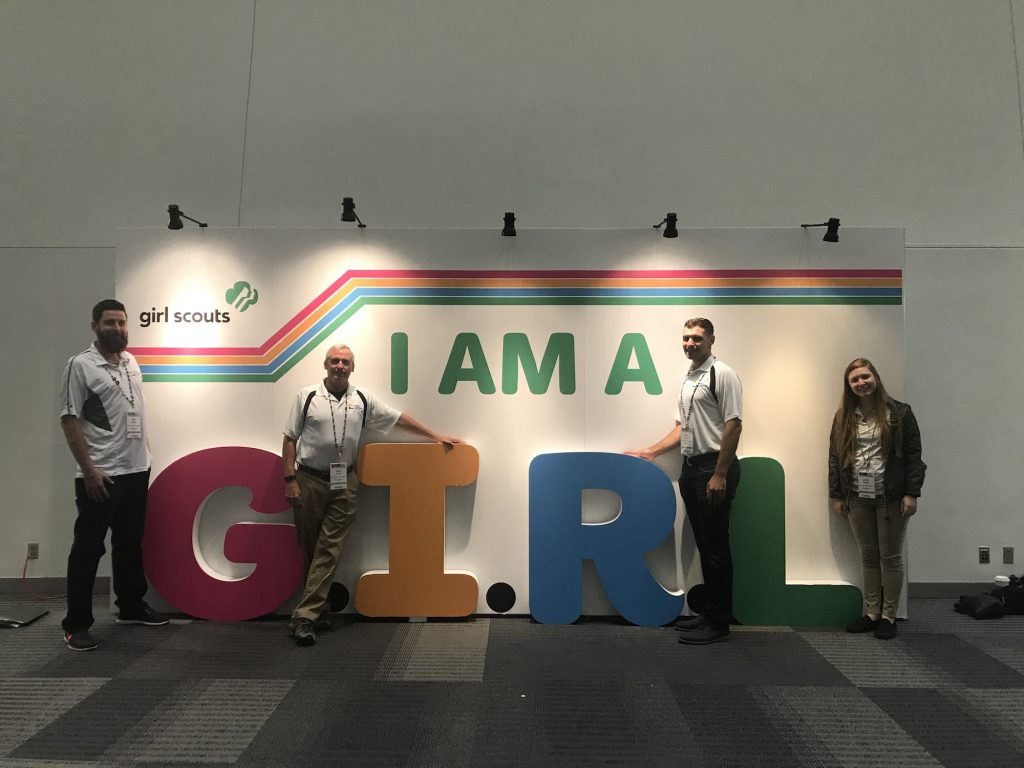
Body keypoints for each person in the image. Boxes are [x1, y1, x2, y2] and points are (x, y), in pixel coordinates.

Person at [282, 343, 464, 646]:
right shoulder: (307, 396)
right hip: (308, 479)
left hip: (346, 481)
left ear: (353, 368)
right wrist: (290, 479)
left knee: (330, 547)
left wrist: (435, 435)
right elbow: (289, 439)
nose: (340, 366)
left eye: (346, 362)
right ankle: (318, 610)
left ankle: (304, 617)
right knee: (310, 547)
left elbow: (399, 419)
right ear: (325, 365)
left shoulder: (362, 398)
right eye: (335, 361)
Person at [58, 299, 169, 652]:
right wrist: (89, 470)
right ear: (95, 326)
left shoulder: (130, 362)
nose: (118, 329)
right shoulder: (80, 366)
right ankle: (76, 625)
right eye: (109, 323)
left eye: (122, 323)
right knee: (88, 549)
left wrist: (146, 455)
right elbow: (70, 420)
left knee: (129, 543)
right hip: (101, 474)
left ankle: (131, 606)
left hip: (136, 470)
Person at [627, 318, 742, 644]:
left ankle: (719, 623)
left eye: (696, 338)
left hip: (713, 468)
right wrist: (650, 451)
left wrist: (720, 473)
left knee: (717, 547)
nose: (690, 344)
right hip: (691, 469)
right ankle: (709, 613)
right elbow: (683, 428)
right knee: (705, 544)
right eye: (686, 338)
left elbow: (733, 425)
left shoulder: (723, 374)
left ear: (711, 340)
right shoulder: (689, 378)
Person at [829, 357, 925, 640]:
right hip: (856, 495)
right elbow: (834, 458)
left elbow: (913, 457)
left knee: (890, 556)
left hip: (891, 496)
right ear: (849, 386)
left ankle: (889, 615)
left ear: (876, 378)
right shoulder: (843, 416)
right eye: (855, 380)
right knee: (868, 555)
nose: (861, 383)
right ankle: (871, 613)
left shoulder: (900, 413)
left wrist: (912, 493)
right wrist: (837, 494)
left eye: (865, 377)